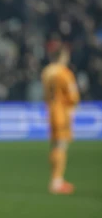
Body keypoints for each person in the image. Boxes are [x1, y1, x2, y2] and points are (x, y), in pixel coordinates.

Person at [41, 44, 80, 195]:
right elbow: (73, 96)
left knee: (56, 144)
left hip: (50, 110)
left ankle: (56, 180)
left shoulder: (47, 72)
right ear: (62, 56)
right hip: (62, 112)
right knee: (61, 145)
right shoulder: (64, 73)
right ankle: (56, 181)